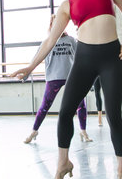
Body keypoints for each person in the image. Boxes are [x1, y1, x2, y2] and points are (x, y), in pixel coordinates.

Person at [10, 0, 122, 179]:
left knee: (114, 116)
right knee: (65, 112)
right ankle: (63, 163)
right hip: (84, 59)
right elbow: (50, 40)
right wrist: (30, 66)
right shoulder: (66, 5)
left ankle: (121, 171)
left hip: (111, 57)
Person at [24, 16, 91, 144]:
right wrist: (26, 75)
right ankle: (34, 131)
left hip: (71, 77)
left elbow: (81, 58)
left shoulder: (71, 40)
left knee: (80, 104)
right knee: (45, 106)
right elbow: (35, 59)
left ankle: (83, 131)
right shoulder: (47, 42)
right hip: (54, 77)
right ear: (51, 25)